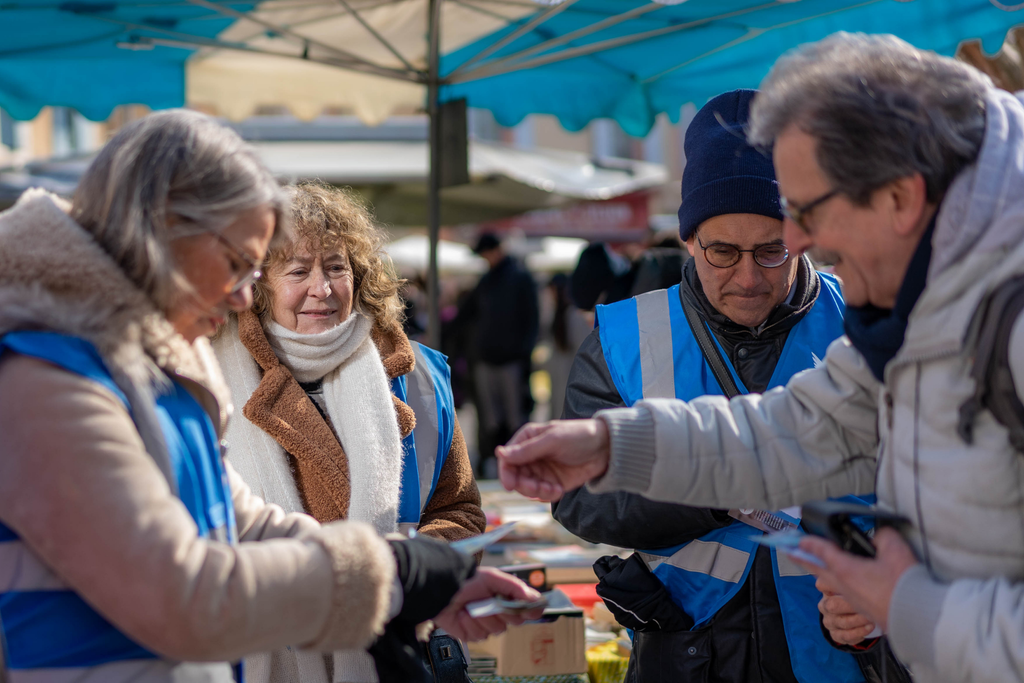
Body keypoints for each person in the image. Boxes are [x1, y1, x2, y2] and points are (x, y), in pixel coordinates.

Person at [495, 32, 1024, 683]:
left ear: (901, 197)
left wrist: (908, 603)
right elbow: (802, 429)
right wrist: (611, 444)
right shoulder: (918, 306)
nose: (798, 243)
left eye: (804, 214)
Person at [0, 110, 541, 683]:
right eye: (238, 264)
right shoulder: (44, 376)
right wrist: (393, 573)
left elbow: (246, 525)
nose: (241, 298)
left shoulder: (138, 365)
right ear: (166, 229)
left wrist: (411, 584)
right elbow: (186, 596)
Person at [552, 89, 873, 683]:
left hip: (839, 649)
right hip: (688, 651)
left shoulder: (869, 324)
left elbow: (942, 488)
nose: (748, 278)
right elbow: (579, 499)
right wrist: (715, 492)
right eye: (722, 252)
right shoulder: (626, 338)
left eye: (772, 251)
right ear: (687, 239)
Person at [213, 182, 486, 683]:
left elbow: (459, 509)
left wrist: (414, 574)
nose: (323, 289)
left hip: (397, 646)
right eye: (297, 271)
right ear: (258, 286)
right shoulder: (207, 383)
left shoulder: (419, 374)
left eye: (337, 267)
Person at [450, 233, 539, 475]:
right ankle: (494, 463)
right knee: (490, 419)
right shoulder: (487, 281)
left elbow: (532, 321)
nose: (484, 259)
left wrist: (524, 355)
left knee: (515, 418)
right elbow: (466, 315)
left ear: (495, 250)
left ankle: (521, 464)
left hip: (511, 360)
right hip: (486, 360)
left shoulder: (521, 278)